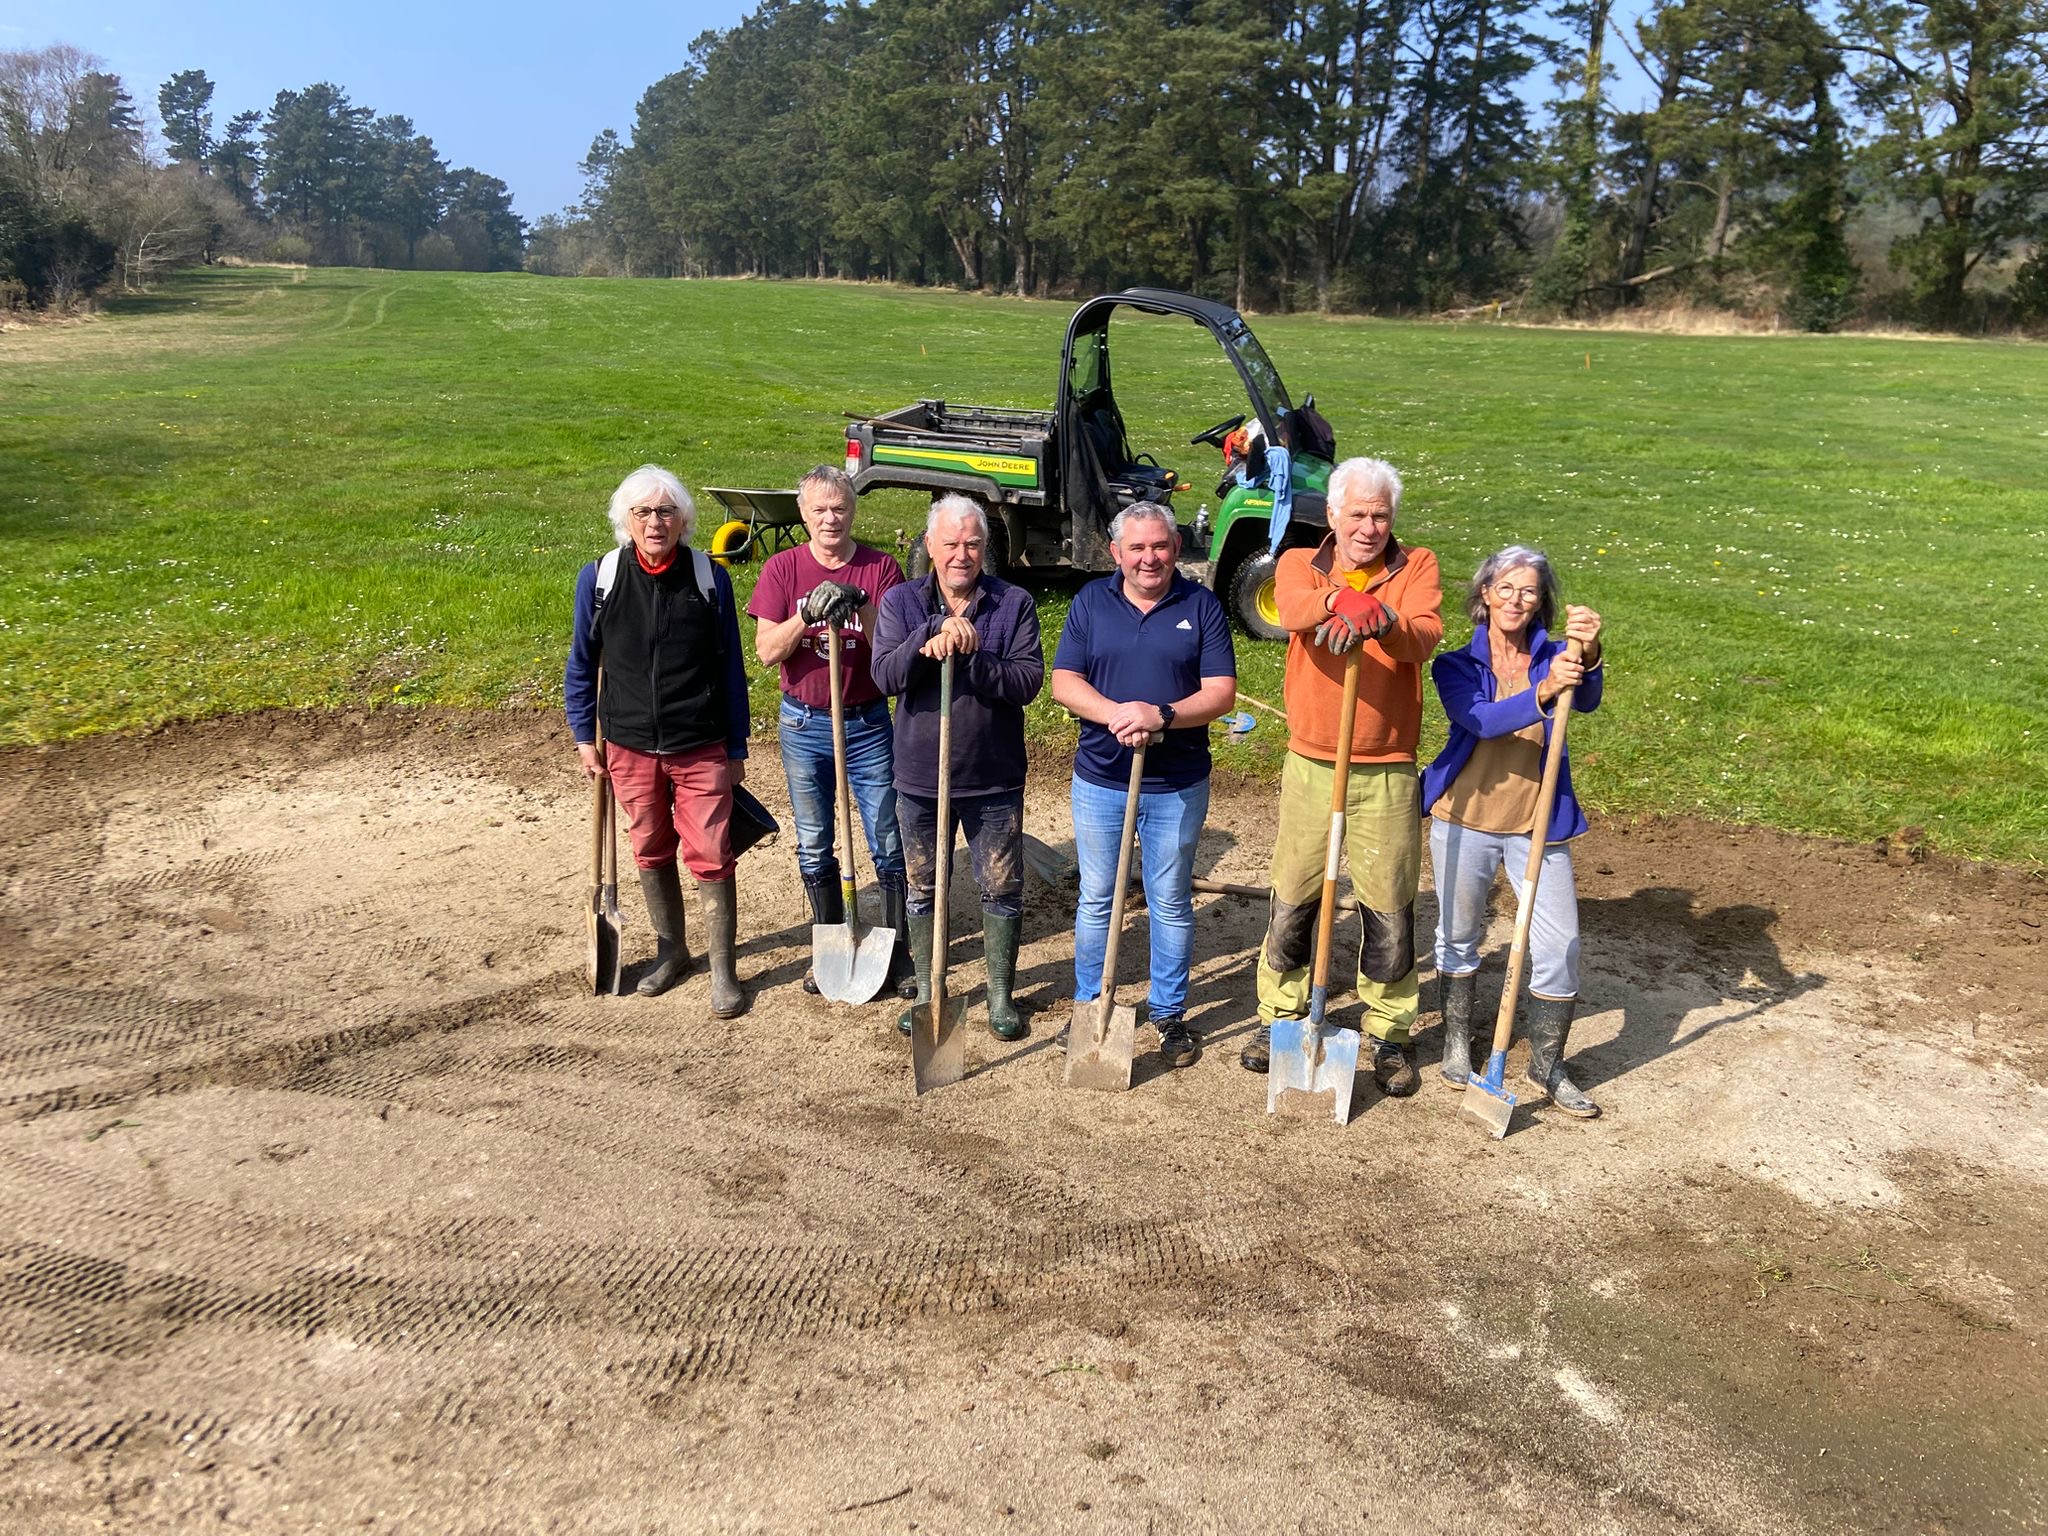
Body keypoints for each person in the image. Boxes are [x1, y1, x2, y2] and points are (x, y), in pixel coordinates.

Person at [1242, 457, 1443, 1094]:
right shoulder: (1301, 562)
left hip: (1386, 766)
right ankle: (1281, 1015)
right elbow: (1291, 608)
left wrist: (1383, 620)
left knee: (1389, 901)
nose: (1368, 526)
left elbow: (1425, 635)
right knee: (1296, 890)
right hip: (1312, 760)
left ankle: (1389, 1031)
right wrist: (1337, 598)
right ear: (1333, 514)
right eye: (1357, 513)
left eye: (1380, 515)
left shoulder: (1416, 566)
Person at [1050, 502, 1237, 1067]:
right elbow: (1064, 681)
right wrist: (1118, 715)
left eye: (1159, 546)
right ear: (1117, 553)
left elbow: (1220, 692)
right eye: (1137, 548)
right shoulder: (1091, 602)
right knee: (1097, 898)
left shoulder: (1201, 606)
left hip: (1176, 783)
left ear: (1176, 547)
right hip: (1101, 779)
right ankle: (1090, 1002)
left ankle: (1168, 1013)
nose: (1149, 558)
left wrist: (1161, 715)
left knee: (1170, 900)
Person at [1422, 546, 1605, 1116]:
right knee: (1458, 936)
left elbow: (1588, 699)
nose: (1516, 599)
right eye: (1505, 587)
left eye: (1528, 590)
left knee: (1560, 946)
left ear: (1540, 600)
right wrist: (1543, 691)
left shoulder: (1557, 655)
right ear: (1485, 594)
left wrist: (1590, 651)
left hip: (1537, 824)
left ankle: (1547, 1062)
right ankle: (1456, 1041)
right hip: (1464, 818)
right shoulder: (1455, 665)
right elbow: (1481, 720)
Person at [566, 464, 751, 1019]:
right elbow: (582, 664)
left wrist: (736, 746)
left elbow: (731, 668)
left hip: (701, 742)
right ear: (626, 520)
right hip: (628, 743)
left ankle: (723, 970)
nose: (655, 522)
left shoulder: (710, 579)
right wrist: (584, 735)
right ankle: (672, 952)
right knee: (649, 845)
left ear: (683, 520)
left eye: (666, 511)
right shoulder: (598, 579)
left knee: (712, 852)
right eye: (643, 512)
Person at [871, 494, 1045, 1041]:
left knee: (1001, 886)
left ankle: (1000, 996)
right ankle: (929, 992)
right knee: (923, 886)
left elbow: (1027, 682)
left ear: (984, 546)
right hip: (920, 777)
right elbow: (884, 676)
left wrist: (975, 657)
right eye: (950, 543)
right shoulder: (901, 601)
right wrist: (928, 636)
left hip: (993, 775)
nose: (961, 554)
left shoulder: (1013, 603)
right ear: (930, 545)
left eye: (972, 543)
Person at [747, 466, 913, 998]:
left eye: (839, 508)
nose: (830, 518)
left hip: (867, 722)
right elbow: (767, 651)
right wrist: (807, 615)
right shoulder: (782, 569)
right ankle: (832, 944)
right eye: (818, 509)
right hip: (804, 723)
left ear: (853, 511)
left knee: (886, 835)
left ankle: (897, 948)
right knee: (816, 839)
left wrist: (860, 603)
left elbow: (896, 644)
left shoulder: (880, 568)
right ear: (803, 515)